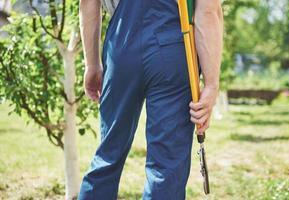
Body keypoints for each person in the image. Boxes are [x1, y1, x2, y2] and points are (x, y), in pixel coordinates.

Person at [78, 0, 223, 199]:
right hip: (173, 48)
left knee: (108, 155)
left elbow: (88, 2)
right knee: (166, 166)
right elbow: (208, 10)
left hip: (122, 47)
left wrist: (92, 64)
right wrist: (212, 84)